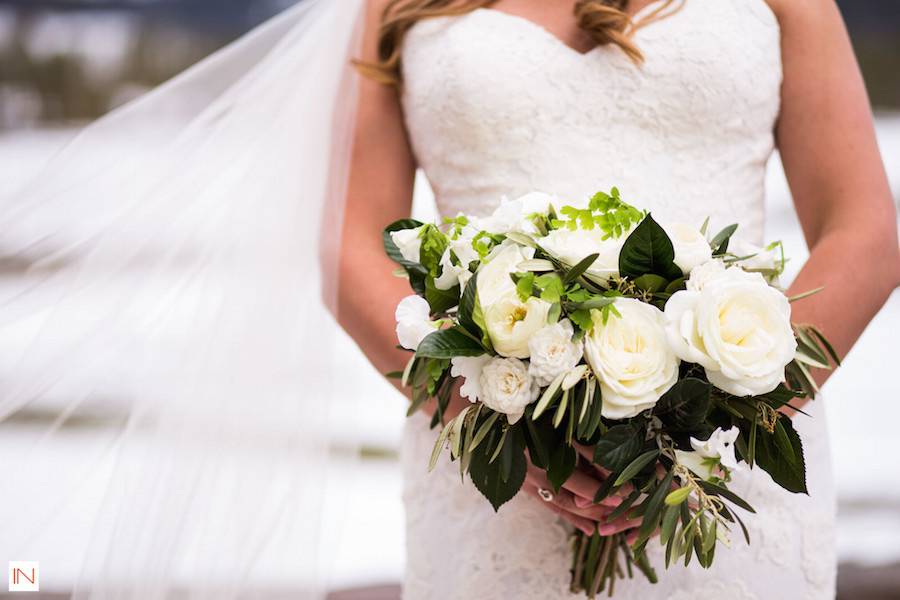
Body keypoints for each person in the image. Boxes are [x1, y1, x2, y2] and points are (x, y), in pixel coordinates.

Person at [333, 0, 900, 598]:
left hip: (727, 469)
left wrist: (714, 424)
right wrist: (481, 417)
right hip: (490, 466)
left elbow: (864, 233)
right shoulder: (387, 8)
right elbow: (349, 248)